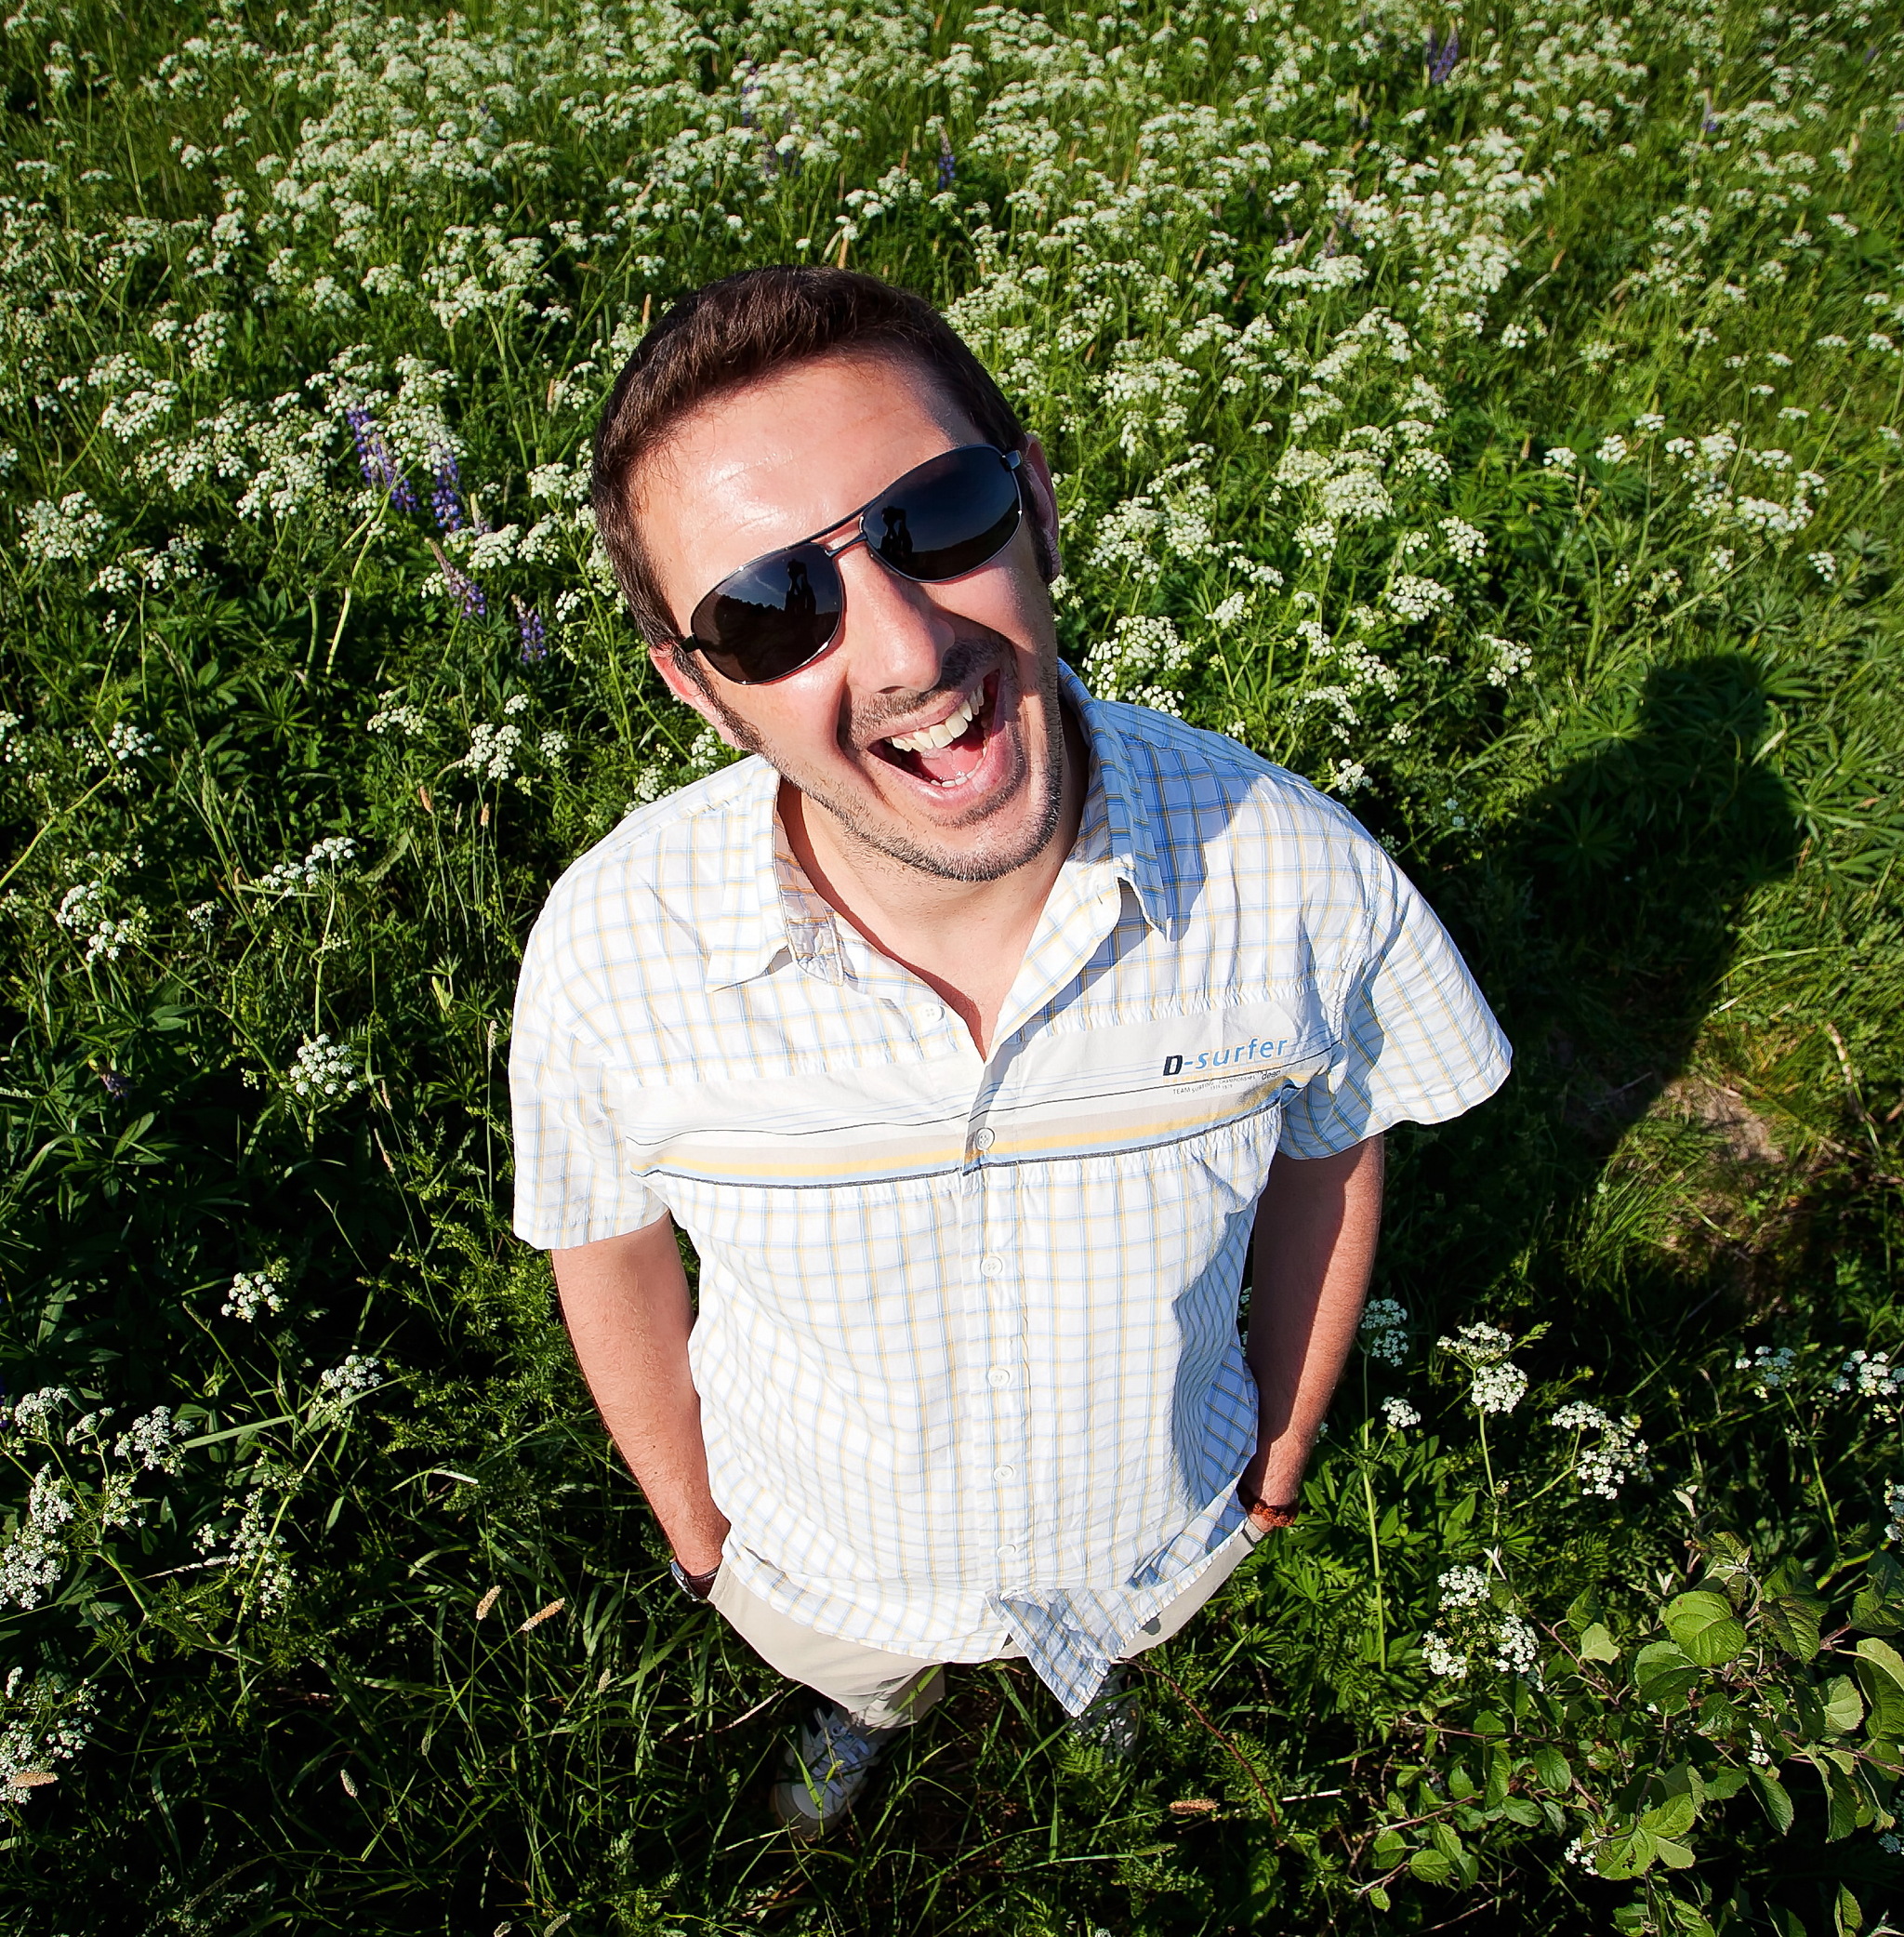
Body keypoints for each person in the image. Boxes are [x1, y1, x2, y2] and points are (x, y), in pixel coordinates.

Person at [509, 266, 1510, 1839]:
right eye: (772, 612)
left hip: (1153, 1533)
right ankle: (863, 1702)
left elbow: (1338, 1144)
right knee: (860, 1671)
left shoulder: (1299, 876)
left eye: (940, 515)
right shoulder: (610, 947)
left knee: (1112, 1657)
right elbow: (602, 1240)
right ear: (698, 690)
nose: (906, 649)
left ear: (1036, 502)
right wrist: (700, 1535)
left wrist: (1286, 1441)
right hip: (820, 1559)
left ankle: (1092, 1683)